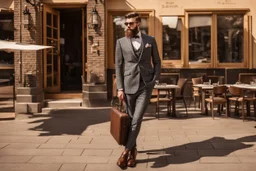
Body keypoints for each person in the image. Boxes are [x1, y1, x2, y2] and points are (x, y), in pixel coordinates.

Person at [115, 12, 161, 168]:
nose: (128, 25)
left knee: (137, 120)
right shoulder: (120, 42)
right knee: (129, 122)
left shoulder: (150, 40)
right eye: (126, 23)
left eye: (131, 23)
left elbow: (157, 62)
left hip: (145, 87)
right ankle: (132, 153)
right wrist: (119, 88)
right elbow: (118, 66)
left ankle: (125, 152)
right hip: (128, 87)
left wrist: (153, 81)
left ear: (139, 23)